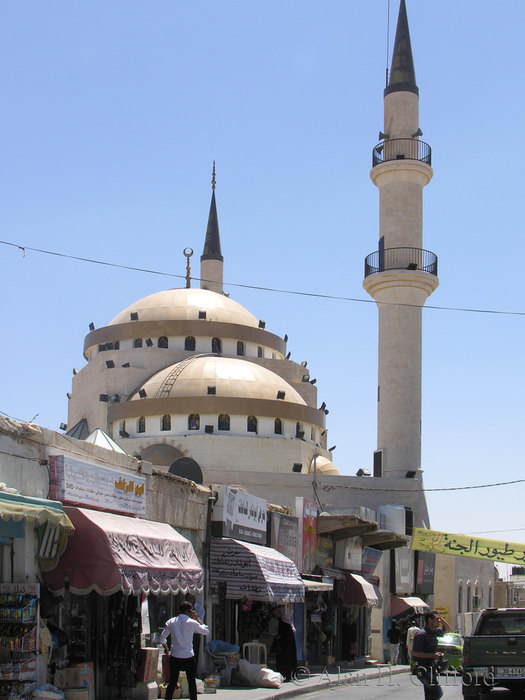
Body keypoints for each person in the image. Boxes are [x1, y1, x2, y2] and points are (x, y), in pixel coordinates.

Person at [159, 601, 209, 700]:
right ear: (190, 611)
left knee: (173, 681)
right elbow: (206, 631)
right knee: (191, 681)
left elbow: (161, 638)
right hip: (188, 655)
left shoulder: (172, 622)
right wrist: (197, 619)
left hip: (175, 655)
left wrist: (166, 648)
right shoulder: (192, 622)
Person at [411, 610, 452, 700]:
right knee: (437, 692)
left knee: (429, 694)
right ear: (430, 620)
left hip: (431, 668)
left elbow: (448, 629)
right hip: (423, 669)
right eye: (437, 619)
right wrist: (432, 656)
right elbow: (414, 653)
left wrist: (440, 617)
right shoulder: (422, 634)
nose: (439, 621)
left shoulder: (434, 631)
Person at [270, 605, 297, 682]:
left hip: (285, 645)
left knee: (285, 660)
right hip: (289, 643)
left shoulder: (283, 620)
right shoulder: (285, 618)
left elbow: (284, 633)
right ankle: (288, 674)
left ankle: (285, 674)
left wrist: (279, 637)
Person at [185, 593, 205, 674]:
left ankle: (194, 672)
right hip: (186, 633)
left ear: (194, 599)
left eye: (191, 598)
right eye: (188, 599)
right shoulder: (185, 609)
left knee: (195, 653)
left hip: (195, 633)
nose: (189, 600)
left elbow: (200, 621)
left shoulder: (199, 608)